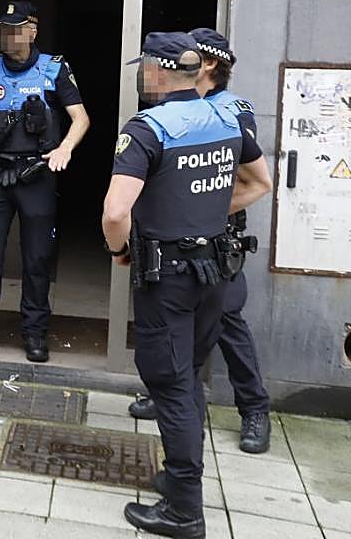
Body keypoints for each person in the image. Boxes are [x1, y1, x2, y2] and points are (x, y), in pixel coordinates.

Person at [103, 32, 272, 538]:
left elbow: (115, 212)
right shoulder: (226, 117)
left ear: (156, 71)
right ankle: (179, 482)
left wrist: (120, 250)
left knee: (171, 385)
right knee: (188, 377)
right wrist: (203, 214)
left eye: (143, 67)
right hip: (215, 270)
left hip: (169, 277)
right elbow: (259, 182)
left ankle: (184, 511)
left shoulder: (147, 129)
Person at [0, 1, 90, 362]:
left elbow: (81, 118)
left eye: (15, 28)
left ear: (32, 30)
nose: (8, 36)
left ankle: (35, 334)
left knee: (37, 258)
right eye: (3, 29)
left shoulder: (53, 69)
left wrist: (66, 148)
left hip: (37, 174)